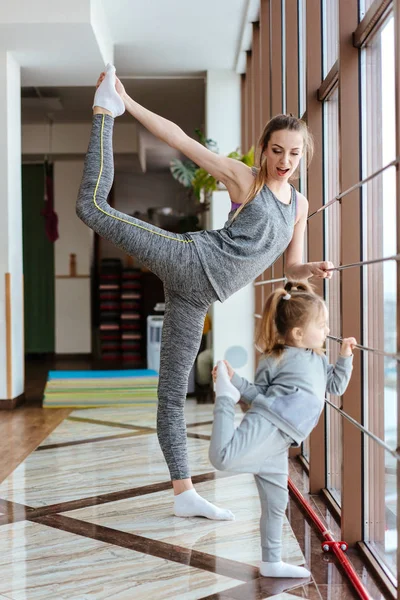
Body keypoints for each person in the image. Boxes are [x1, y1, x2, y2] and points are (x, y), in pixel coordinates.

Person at [76, 63, 334, 521]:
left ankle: (183, 493)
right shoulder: (246, 179)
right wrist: (127, 102)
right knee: (91, 207)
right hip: (189, 258)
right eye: (277, 150)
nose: (285, 161)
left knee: (171, 396)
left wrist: (309, 267)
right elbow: (181, 141)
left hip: (196, 297)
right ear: (264, 149)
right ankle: (104, 110)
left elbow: (290, 264)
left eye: (294, 154)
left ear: (303, 156)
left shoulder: (300, 206)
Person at [210, 281, 356, 577]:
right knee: (222, 459)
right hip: (268, 424)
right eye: (322, 325)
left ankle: (271, 562)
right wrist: (234, 384)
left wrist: (345, 358)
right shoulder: (275, 358)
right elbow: (257, 393)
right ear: (299, 333)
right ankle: (224, 398)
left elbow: (336, 386)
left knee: (276, 503)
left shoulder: (319, 359)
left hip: (282, 442)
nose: (326, 330)